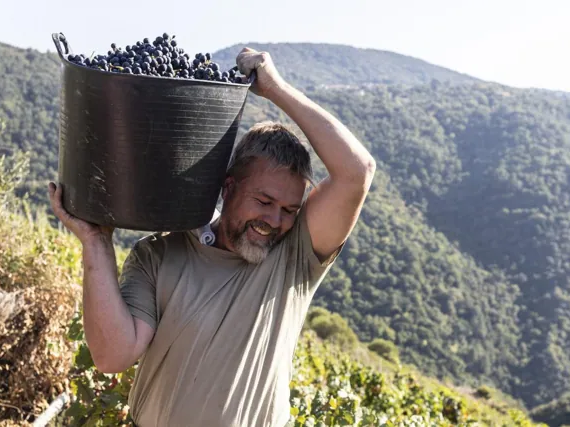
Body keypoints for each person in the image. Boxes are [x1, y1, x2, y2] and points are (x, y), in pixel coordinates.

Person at [48, 47, 376, 427]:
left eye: (289, 210)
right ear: (228, 186)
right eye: (264, 201)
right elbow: (112, 356)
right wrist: (96, 243)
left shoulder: (295, 257)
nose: (274, 219)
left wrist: (276, 89)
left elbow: (357, 170)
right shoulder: (158, 255)